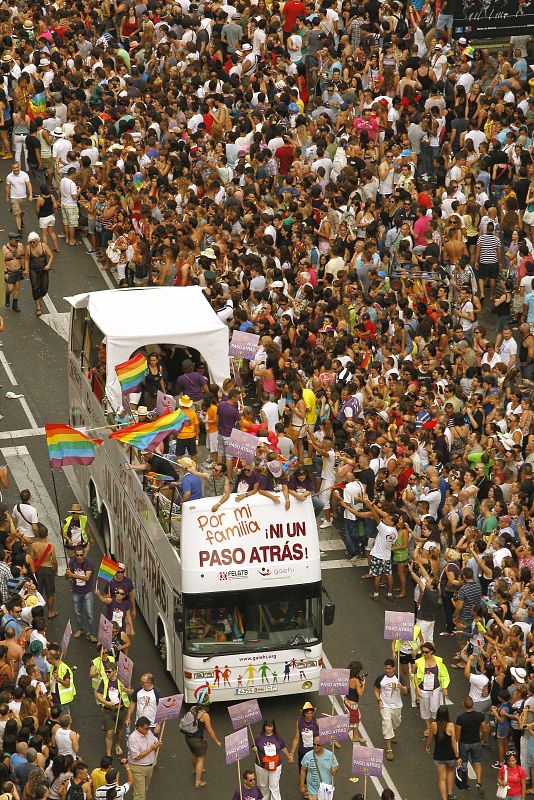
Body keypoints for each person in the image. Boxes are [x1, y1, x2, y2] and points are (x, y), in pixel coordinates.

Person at [95, 661, 133, 757]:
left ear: (115, 671)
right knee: (109, 732)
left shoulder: (123, 680)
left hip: (120, 710)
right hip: (108, 711)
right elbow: (98, 694)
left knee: (119, 730)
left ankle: (117, 744)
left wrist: (126, 690)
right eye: (106, 672)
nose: (107, 674)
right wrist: (106, 702)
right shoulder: (104, 681)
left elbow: (132, 692)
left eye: (109, 672)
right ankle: (108, 754)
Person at [374, 658, 408, 762]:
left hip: (397, 706)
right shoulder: (380, 678)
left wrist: (401, 687)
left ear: (393, 668)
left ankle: (392, 732)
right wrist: (379, 700)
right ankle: (389, 750)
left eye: (389, 668)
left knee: (396, 723)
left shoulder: (399, 678)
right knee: (387, 724)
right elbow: (376, 690)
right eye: (386, 668)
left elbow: (406, 692)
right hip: (385, 706)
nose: (387, 670)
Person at [182, 699, 221, 789]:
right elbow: (210, 731)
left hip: (188, 737)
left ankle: (196, 770)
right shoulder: (205, 715)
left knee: (193, 754)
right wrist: (217, 741)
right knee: (200, 759)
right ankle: (198, 782)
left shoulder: (192, 708)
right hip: (197, 740)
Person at [414, 644, 451, 740]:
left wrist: (444, 687)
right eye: (422, 652)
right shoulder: (418, 662)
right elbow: (414, 675)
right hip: (423, 689)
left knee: (435, 709)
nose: (424, 654)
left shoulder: (438, 661)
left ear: (431, 651)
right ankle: (428, 727)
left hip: (435, 689)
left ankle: (434, 725)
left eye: (426, 652)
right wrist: (417, 688)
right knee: (425, 709)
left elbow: (444, 674)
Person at [426, 705, 462, 800]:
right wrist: (457, 756)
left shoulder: (433, 725)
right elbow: (453, 742)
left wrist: (428, 747)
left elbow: (430, 738)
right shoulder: (450, 726)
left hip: (438, 755)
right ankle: (450, 794)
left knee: (442, 778)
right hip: (450, 755)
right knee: (450, 772)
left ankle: (444, 798)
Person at [253, 718, 293, 800]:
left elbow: (283, 747)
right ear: (264, 727)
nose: (268, 728)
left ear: (273, 727)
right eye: (267, 726)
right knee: (263, 786)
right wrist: (254, 749)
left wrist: (289, 757)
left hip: (276, 766)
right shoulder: (258, 737)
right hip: (262, 766)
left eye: (270, 726)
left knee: (274, 787)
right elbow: (253, 747)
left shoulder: (278, 737)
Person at [127, 717, 162, 800]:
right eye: (146, 728)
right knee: (140, 795)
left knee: (144, 791)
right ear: (139, 727)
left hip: (149, 767)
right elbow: (137, 756)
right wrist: (151, 749)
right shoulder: (133, 738)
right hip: (138, 768)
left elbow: (155, 742)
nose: (148, 730)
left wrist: (157, 745)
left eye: (149, 727)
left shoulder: (149, 732)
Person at [455, 696, 485, 795]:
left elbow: (458, 734)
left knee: (464, 763)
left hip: (464, 743)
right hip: (476, 742)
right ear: (473, 704)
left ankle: (465, 782)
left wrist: (456, 742)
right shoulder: (479, 716)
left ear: (464, 705)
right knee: (477, 762)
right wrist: (480, 737)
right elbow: (484, 728)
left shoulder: (460, 718)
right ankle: (479, 782)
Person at [65, 547, 96, 641]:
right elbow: (66, 577)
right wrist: (67, 574)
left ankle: (91, 633)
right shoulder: (72, 562)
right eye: (77, 555)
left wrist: (72, 575)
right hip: (76, 591)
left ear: (84, 554)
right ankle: (81, 629)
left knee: (89, 614)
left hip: (87, 591)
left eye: (81, 555)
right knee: (78, 612)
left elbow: (87, 578)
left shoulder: (89, 562)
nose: (79, 557)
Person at [30, 524, 58, 619]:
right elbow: (54, 561)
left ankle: (38, 614)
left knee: (38, 592)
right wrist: (56, 571)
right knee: (50, 593)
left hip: (38, 571)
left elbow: (32, 559)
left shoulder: (34, 545)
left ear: (38, 534)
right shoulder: (50, 547)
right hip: (48, 569)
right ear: (47, 534)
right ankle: (50, 612)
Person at [24, 231, 53, 317]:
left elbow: (51, 255)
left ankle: (39, 298)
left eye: (34, 242)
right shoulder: (28, 248)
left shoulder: (43, 246)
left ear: (37, 240)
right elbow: (26, 259)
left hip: (43, 269)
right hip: (33, 270)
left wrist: (48, 265)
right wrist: (26, 269)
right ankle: (38, 307)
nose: (32, 243)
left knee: (44, 288)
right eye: (30, 242)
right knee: (35, 288)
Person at [5, 161, 32, 234]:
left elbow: (28, 184)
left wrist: (30, 195)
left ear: (19, 167)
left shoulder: (24, 175)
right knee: (17, 214)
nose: (16, 169)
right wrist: (7, 197)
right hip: (14, 198)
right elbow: (7, 187)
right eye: (14, 168)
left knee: (21, 212)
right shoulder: (9, 177)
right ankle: (19, 230)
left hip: (23, 197)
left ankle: (21, 220)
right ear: (12, 168)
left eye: (17, 167)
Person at [290, 702, 319, 768]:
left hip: (314, 751)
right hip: (303, 752)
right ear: (304, 714)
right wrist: (291, 754)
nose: (309, 715)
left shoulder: (317, 721)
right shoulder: (299, 722)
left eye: (311, 713)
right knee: (302, 772)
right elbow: (296, 739)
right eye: (307, 713)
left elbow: (324, 734)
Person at [344, 662, 366, 744]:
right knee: (353, 723)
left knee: (357, 718)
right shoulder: (356, 680)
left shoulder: (348, 677)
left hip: (347, 701)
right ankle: (336, 738)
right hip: (353, 705)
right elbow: (360, 693)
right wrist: (363, 684)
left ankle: (355, 736)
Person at [3, 232, 25, 313]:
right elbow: (2, 261)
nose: (17, 242)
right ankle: (7, 295)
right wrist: (5, 273)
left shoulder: (20, 246)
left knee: (17, 288)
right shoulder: (4, 249)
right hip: (9, 271)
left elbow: (22, 257)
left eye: (17, 241)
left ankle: (15, 305)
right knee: (10, 288)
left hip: (18, 270)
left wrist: (24, 268)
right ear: (11, 240)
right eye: (15, 241)